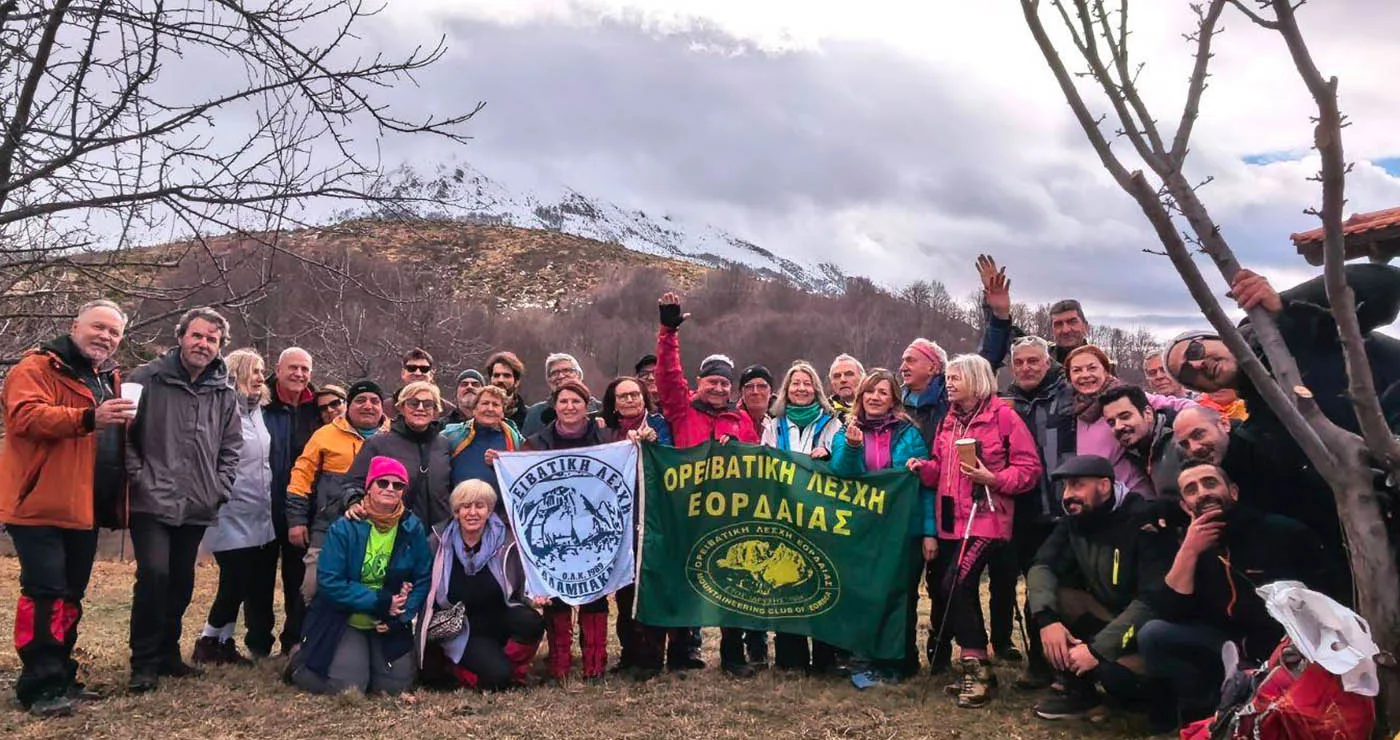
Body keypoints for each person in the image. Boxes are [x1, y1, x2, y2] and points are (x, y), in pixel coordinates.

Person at [0, 299, 133, 716]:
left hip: (85, 503)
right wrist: (89, 418)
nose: (105, 337)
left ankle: (61, 674)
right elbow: (25, 417)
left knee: (71, 595)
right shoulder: (36, 368)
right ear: (76, 325)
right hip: (38, 501)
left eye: (113, 332)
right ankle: (38, 685)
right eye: (99, 327)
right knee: (44, 593)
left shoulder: (105, 376)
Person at [1139, 461, 1337, 732]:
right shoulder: (1192, 545)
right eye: (1191, 490)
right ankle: (1210, 717)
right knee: (1154, 635)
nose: (1203, 493)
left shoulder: (1282, 533)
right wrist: (1189, 551)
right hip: (1227, 646)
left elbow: (1325, 596)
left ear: (1233, 492)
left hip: (1284, 644)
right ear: (1185, 507)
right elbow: (1170, 609)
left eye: (1210, 483)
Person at [909, 354, 1042, 709]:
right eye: (948, 378)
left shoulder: (1003, 418)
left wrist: (994, 479)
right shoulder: (948, 421)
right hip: (951, 519)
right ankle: (973, 664)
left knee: (957, 584)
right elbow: (941, 468)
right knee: (947, 588)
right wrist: (924, 469)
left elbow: (1029, 469)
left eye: (955, 378)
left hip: (987, 518)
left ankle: (979, 668)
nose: (948, 384)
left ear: (976, 380)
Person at [1161, 264, 1400, 458]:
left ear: (1218, 337)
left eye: (1194, 351)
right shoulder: (1264, 423)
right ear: (1205, 389)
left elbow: (1386, 284)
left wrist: (1284, 305)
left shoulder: (1293, 324)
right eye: (1187, 374)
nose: (1196, 365)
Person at [124, 307, 242, 693]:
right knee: (155, 576)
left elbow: (231, 446)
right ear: (180, 337)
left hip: (198, 501)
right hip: (151, 499)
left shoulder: (224, 392)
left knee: (181, 581)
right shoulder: (147, 379)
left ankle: (167, 653)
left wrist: (220, 486)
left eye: (211, 339)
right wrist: (138, 479)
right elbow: (124, 436)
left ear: (220, 347)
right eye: (197, 335)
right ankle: (143, 662)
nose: (203, 344)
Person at [649, 291, 761, 678]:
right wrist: (668, 330)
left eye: (723, 383)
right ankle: (683, 651)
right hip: (686, 509)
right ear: (699, 382)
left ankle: (733, 655)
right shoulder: (681, 407)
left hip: (728, 512)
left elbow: (755, 461)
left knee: (731, 578)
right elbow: (666, 374)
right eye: (711, 381)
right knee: (685, 578)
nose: (717, 388)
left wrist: (738, 449)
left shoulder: (741, 419)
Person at [1026, 455, 1176, 722]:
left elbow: (1152, 602)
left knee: (1117, 679)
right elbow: (1042, 566)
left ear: (1104, 486)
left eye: (1077, 485)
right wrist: (1047, 621)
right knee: (1047, 599)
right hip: (1110, 614)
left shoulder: (1143, 520)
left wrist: (1097, 651)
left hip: (1148, 628)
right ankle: (1080, 695)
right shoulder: (1075, 520)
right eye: (1065, 487)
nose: (1068, 495)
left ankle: (1149, 701)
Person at [289, 456, 432, 696]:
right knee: (348, 686)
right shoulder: (344, 527)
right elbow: (330, 582)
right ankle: (297, 662)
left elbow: (423, 576)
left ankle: (370, 659)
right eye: (382, 483)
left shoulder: (412, 527)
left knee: (396, 687)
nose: (390, 489)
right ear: (369, 487)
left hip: (387, 619)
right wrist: (380, 601)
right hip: (345, 616)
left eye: (398, 485)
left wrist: (403, 614)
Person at [828, 369, 932, 685]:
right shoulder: (844, 432)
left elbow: (925, 485)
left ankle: (900, 659)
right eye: (870, 391)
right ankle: (863, 659)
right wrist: (853, 447)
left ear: (893, 400)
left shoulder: (909, 434)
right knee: (863, 594)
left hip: (903, 530)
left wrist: (930, 531)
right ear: (861, 397)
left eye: (883, 392)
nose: (875, 397)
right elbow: (842, 474)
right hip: (862, 531)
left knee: (901, 595)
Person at [993, 335, 1076, 689]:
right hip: (1021, 509)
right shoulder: (1004, 404)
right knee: (1033, 588)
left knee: (1062, 588)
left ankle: (1066, 666)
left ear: (1047, 362)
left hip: (1063, 508)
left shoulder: (1069, 395)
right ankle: (1038, 664)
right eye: (1020, 362)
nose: (1026, 368)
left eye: (1033, 361)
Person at [420, 480, 547, 691]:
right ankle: (459, 666)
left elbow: (526, 579)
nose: (472, 513)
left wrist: (535, 595)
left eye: (479, 506)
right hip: (464, 627)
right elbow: (421, 580)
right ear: (456, 511)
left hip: (500, 615)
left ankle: (511, 668)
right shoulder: (437, 542)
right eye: (465, 506)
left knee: (531, 622)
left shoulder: (507, 540)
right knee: (496, 678)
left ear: (489, 510)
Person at [523, 380, 612, 681]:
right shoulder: (537, 442)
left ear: (586, 406)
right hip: (556, 526)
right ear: (555, 406)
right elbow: (521, 477)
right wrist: (501, 463)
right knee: (557, 592)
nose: (570, 407)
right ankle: (559, 660)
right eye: (563, 402)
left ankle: (595, 660)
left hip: (587, 526)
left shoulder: (606, 439)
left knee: (594, 591)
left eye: (576, 401)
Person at [195, 349, 276, 666]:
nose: (259, 377)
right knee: (234, 581)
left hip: (258, 510)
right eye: (253, 371)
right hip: (228, 509)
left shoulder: (257, 412)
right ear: (236, 373)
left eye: (261, 371)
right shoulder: (220, 409)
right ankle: (207, 640)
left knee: (241, 583)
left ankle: (224, 644)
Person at [761, 360, 842, 673]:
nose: (801, 388)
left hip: (820, 514)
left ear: (817, 389)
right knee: (786, 582)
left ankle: (825, 658)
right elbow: (762, 465)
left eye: (807, 383)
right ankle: (789, 657)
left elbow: (843, 464)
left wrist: (829, 456)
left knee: (822, 581)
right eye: (795, 383)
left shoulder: (831, 422)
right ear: (786, 390)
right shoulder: (773, 424)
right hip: (784, 513)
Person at [286, 380, 391, 605]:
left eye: (374, 401)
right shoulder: (325, 435)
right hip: (328, 524)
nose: (368, 406)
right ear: (349, 405)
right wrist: (296, 520)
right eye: (360, 400)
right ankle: (308, 637)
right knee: (313, 588)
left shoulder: (395, 435)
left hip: (380, 528)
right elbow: (300, 477)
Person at [597, 375, 673, 677]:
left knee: (650, 584)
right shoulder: (607, 432)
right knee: (625, 586)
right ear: (614, 404)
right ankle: (629, 652)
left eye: (634, 395)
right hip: (617, 519)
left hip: (653, 515)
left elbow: (672, 456)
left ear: (644, 397)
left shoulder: (659, 425)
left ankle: (653, 655)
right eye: (623, 397)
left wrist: (656, 443)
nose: (629, 400)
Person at [1065, 345, 1193, 497]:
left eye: (1092, 368)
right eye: (1077, 370)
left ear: (1105, 370)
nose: (1085, 375)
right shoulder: (1073, 409)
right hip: (1098, 499)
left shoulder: (1123, 396)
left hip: (1133, 495)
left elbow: (1184, 405)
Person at [264, 346, 320, 656]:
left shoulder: (316, 407)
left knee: (297, 578)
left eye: (305, 369)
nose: (299, 374)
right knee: (258, 576)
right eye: (293, 368)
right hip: (264, 500)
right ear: (279, 368)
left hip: (303, 506)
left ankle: (293, 639)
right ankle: (258, 640)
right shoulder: (263, 402)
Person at [342, 381, 453, 536]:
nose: (420, 408)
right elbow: (352, 483)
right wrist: (354, 502)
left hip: (438, 536)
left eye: (428, 404)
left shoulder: (444, 444)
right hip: (391, 533)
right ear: (401, 407)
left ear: (435, 410)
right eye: (413, 403)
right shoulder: (378, 443)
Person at [442, 385, 524, 514]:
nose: (490, 409)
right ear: (474, 409)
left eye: (495, 405)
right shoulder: (451, 435)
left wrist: (503, 463)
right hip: (458, 513)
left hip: (501, 516)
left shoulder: (515, 440)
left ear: (503, 412)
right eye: (485, 403)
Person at [1099, 385, 1183, 502]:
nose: (1118, 427)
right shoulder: (1134, 452)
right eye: (1112, 422)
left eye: (1125, 417)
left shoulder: (1182, 440)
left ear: (1148, 413)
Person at [522, 353, 602, 436]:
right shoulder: (535, 413)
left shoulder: (601, 410)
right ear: (549, 379)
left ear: (579, 375)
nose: (561, 376)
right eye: (554, 373)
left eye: (567, 370)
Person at [1048, 299, 1091, 365]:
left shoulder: (1103, 365)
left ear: (1085, 326)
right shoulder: (1040, 364)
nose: (1066, 330)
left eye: (1072, 322)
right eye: (1058, 324)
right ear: (1052, 330)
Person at [738, 364, 774, 442]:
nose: (755, 392)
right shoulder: (730, 420)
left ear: (771, 392)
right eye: (749, 387)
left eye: (762, 386)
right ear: (741, 392)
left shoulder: (782, 420)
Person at [827, 354, 865, 421]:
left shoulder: (874, 409)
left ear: (862, 378)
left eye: (849, 374)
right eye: (837, 376)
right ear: (832, 383)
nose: (843, 380)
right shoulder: (824, 414)